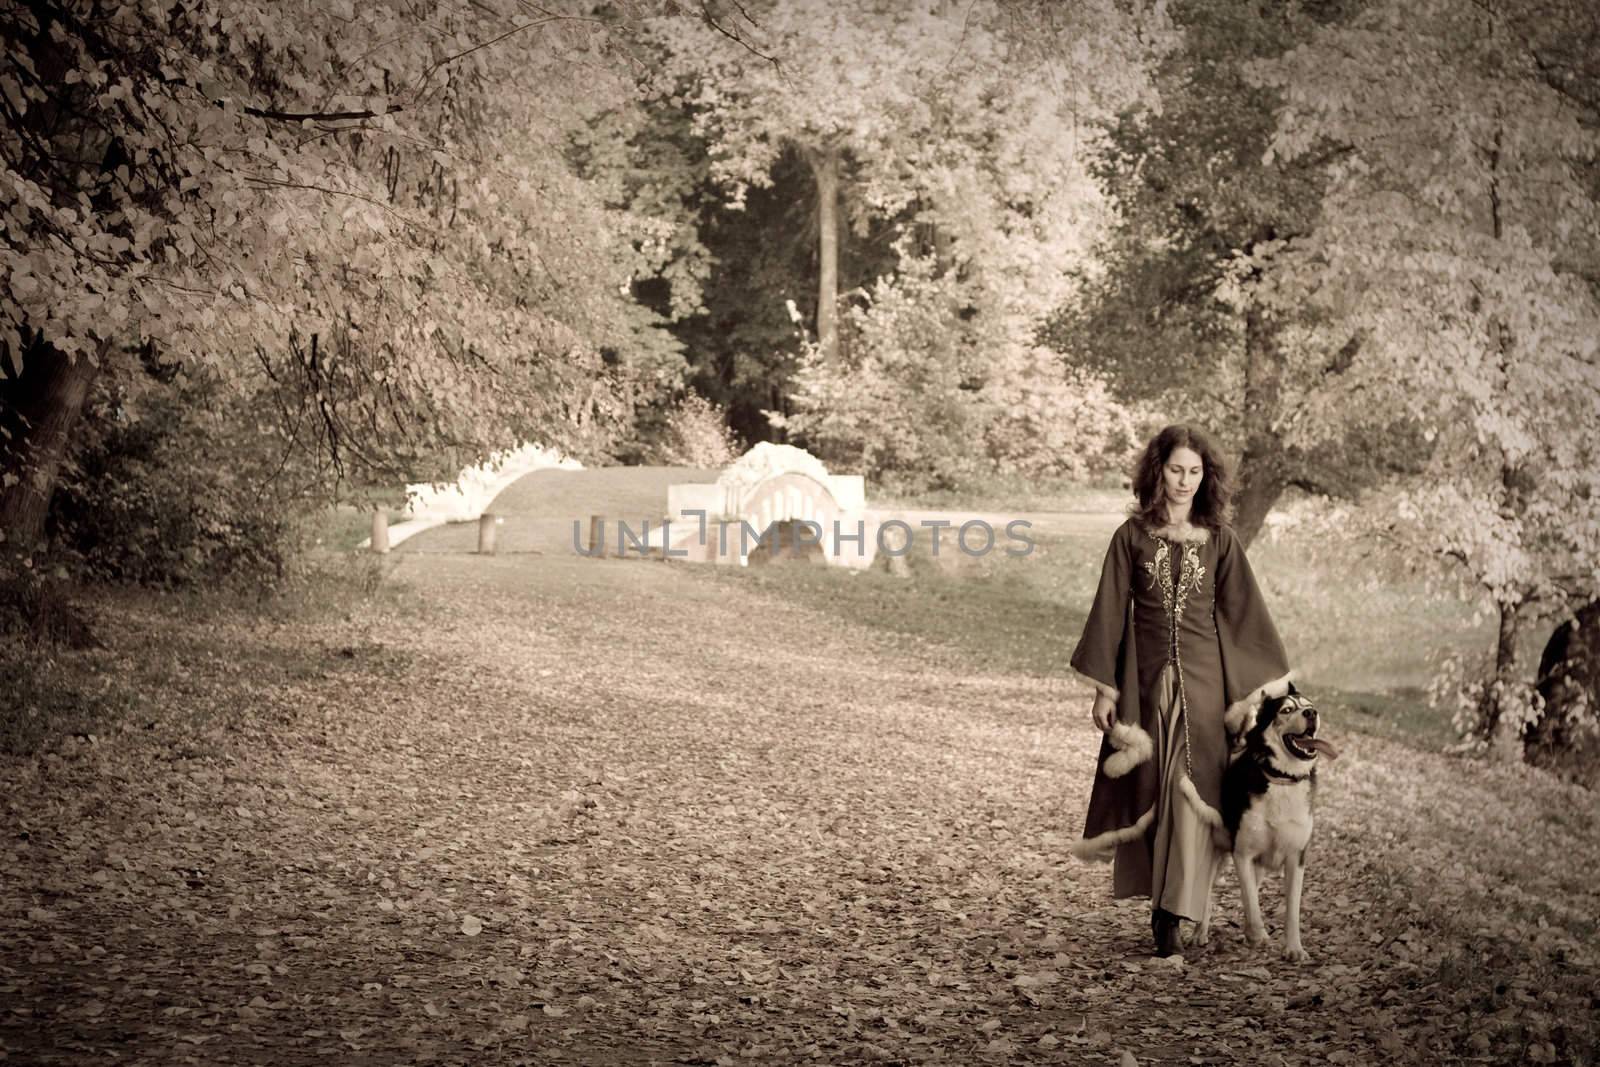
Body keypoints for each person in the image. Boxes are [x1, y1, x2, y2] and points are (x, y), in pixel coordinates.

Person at [1068, 424, 1294, 956]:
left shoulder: (1220, 540)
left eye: (1194, 472)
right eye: (1175, 470)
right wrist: (1105, 690)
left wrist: (1250, 696)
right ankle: (1163, 909)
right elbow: (1108, 613)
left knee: (1193, 799)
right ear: (1157, 470)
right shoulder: (1131, 537)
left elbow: (1244, 615)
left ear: (1206, 476)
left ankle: (1174, 913)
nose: (1184, 481)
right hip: (1147, 687)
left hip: (1206, 687)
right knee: (1157, 792)